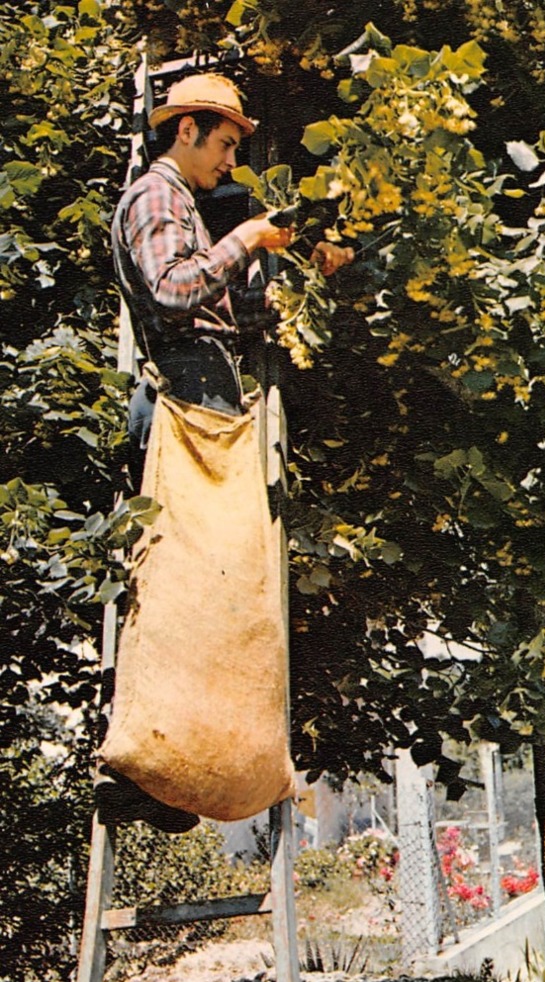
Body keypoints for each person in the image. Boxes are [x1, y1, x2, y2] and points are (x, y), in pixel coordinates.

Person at [97, 73, 353, 833]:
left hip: (208, 396)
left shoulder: (188, 207)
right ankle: (149, 769)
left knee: (216, 596)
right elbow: (175, 293)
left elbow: (225, 304)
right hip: (180, 403)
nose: (229, 160)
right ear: (186, 131)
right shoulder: (154, 196)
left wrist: (300, 266)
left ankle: (183, 768)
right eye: (226, 143)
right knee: (182, 590)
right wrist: (244, 238)